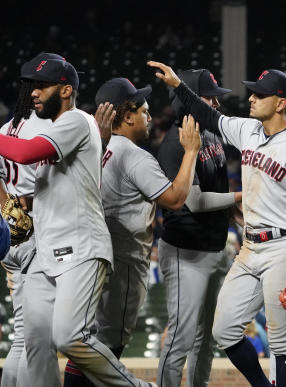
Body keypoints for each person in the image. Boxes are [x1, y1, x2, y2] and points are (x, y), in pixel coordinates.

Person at [0, 58, 154, 387]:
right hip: (46, 249)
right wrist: (17, 202)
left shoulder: (77, 121)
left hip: (82, 246)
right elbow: (34, 182)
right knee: (35, 343)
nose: (34, 92)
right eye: (32, 86)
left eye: (43, 86)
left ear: (66, 89)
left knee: (69, 337)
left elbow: (24, 154)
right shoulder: (52, 129)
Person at [148, 61, 286, 387]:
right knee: (224, 329)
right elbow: (208, 116)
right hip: (250, 245)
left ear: (282, 102)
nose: (252, 98)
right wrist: (177, 85)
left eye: (260, 94)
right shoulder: (247, 129)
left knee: (280, 339)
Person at [63, 77, 202, 386]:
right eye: (143, 110)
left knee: (86, 346)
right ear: (126, 116)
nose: (149, 117)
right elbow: (176, 199)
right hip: (124, 262)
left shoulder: (95, 148)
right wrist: (191, 152)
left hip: (92, 257)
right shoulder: (134, 156)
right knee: (107, 352)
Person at [0, 52, 63, 387]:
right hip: (41, 233)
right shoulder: (50, 127)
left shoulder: (10, 125)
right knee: (39, 341)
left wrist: (7, 206)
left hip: (14, 234)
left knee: (21, 336)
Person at [156, 69, 242, 387]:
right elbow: (194, 201)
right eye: (210, 96)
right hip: (185, 250)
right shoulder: (174, 144)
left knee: (206, 339)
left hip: (214, 246)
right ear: (189, 99)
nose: (217, 103)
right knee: (181, 336)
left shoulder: (211, 133)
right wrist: (238, 196)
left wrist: (232, 210)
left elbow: (213, 189)